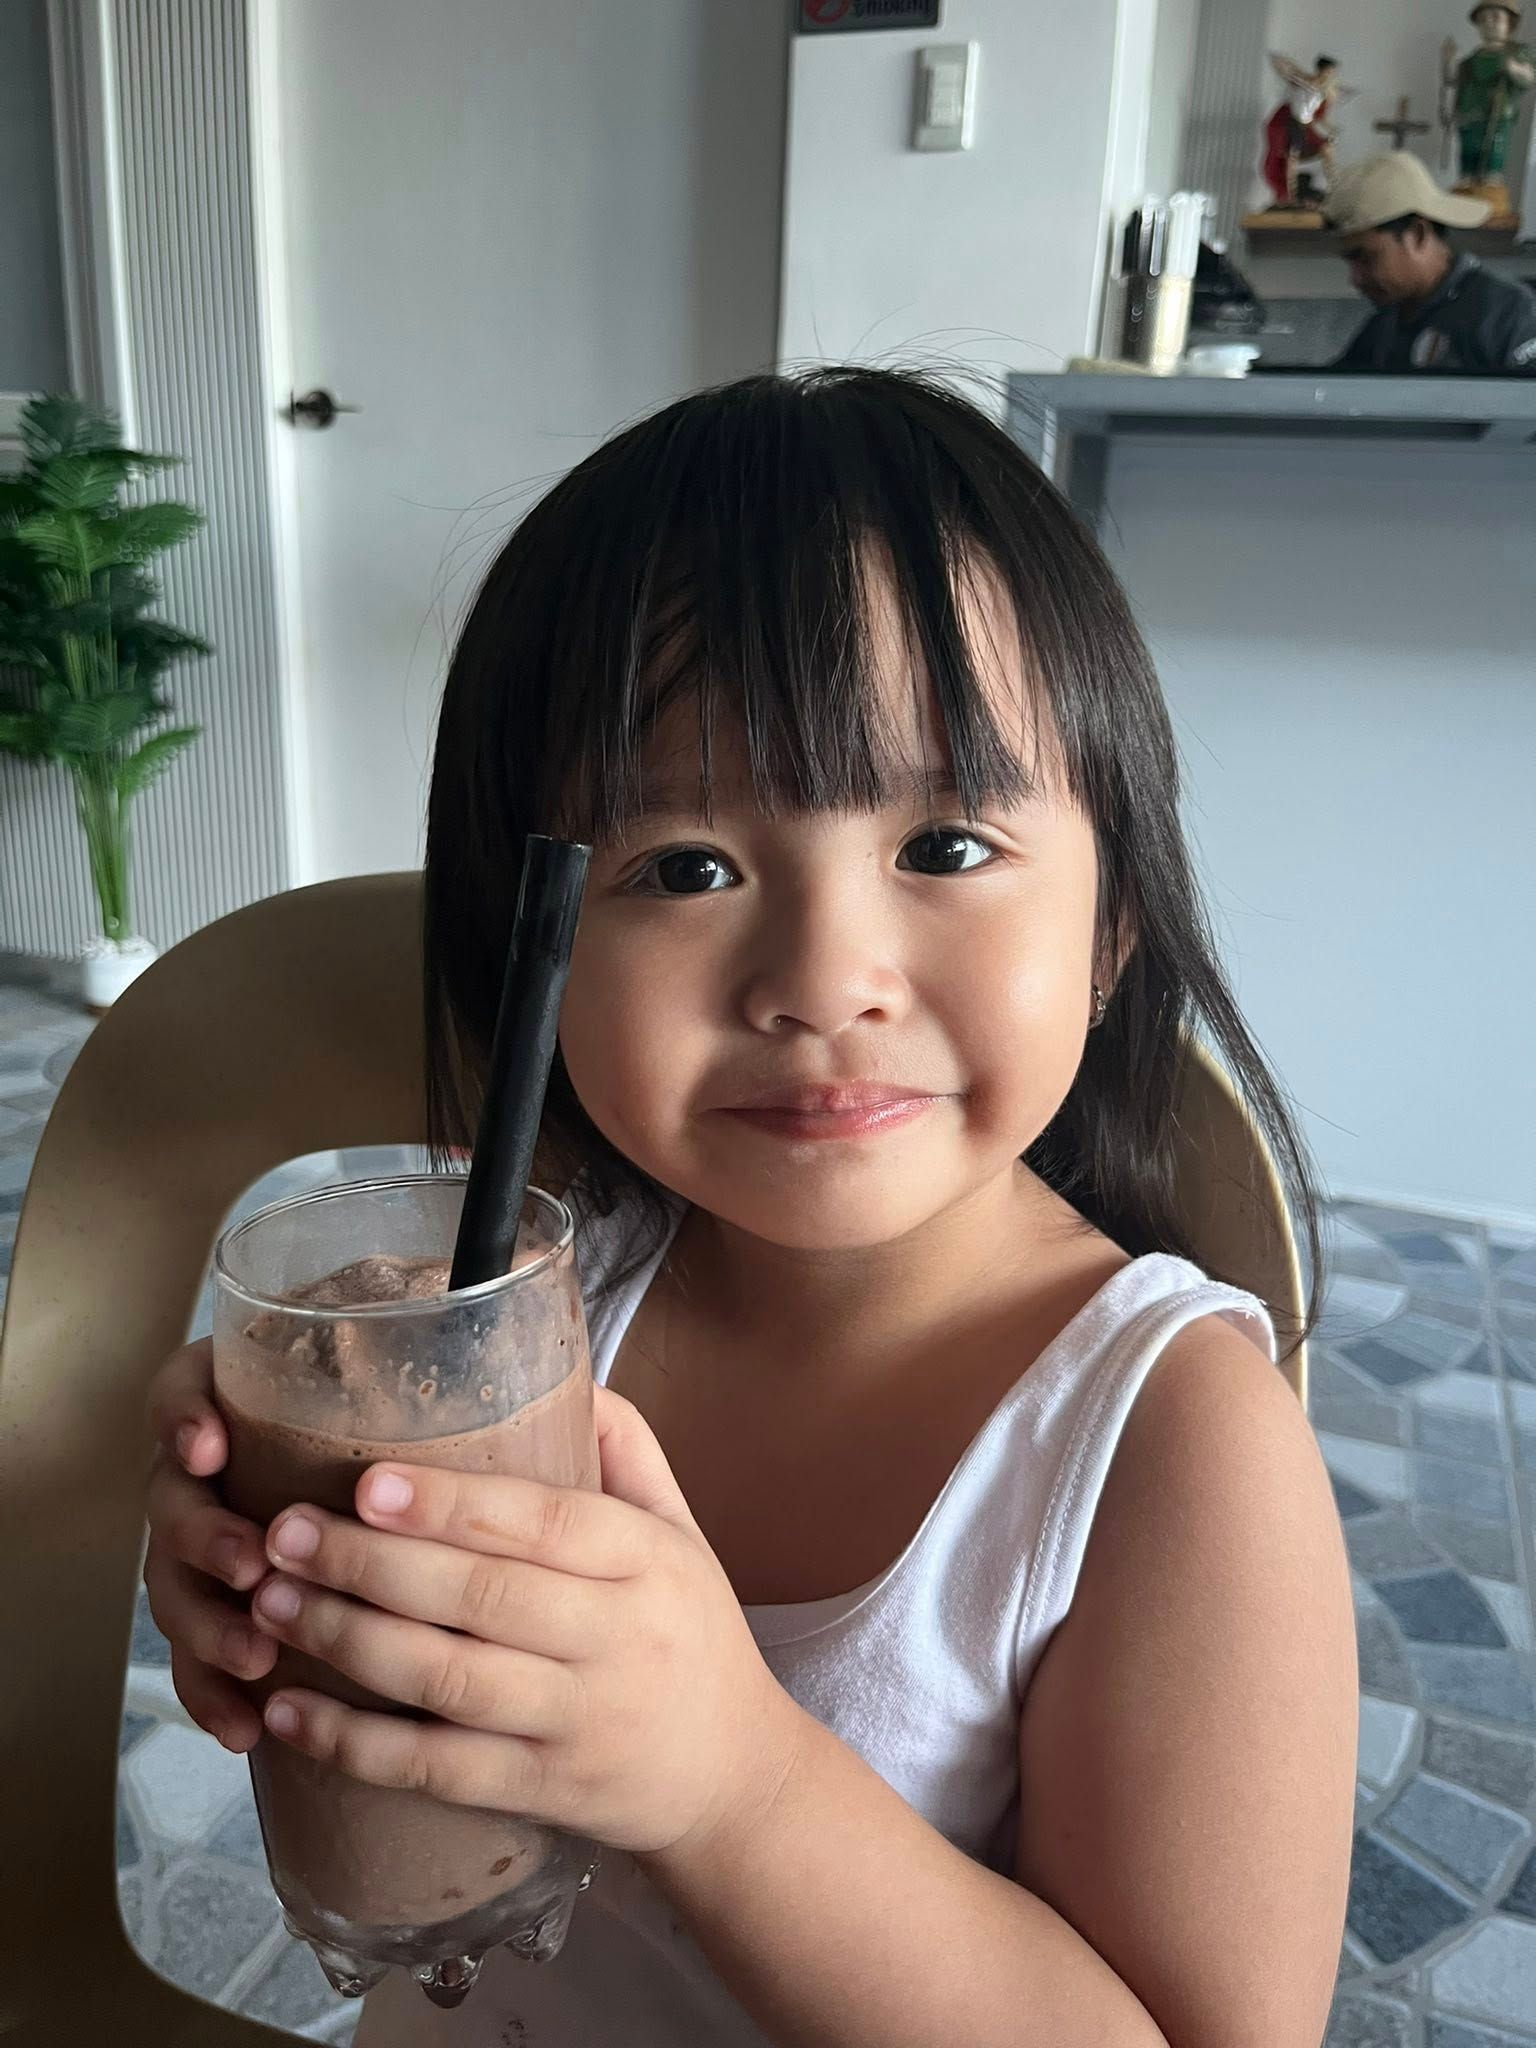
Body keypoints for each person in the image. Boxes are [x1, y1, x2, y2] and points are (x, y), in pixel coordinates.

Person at [141, 368, 1357, 2048]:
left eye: (942, 840)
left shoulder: (1171, 1448)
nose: (821, 980)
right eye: (687, 866)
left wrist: (727, 1780)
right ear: (538, 952)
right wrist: (269, 1564)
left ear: (1114, 921)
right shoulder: (532, 1319)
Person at [1326, 150, 1536, 370]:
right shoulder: (1383, 327)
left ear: (1417, 234)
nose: (1355, 279)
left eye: (1367, 258)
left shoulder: (1509, 315)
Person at [1442, 3, 1534, 210]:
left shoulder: (1517, 53)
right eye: (1483, 19)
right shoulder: (1472, 59)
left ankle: (1490, 184)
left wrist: (1512, 68)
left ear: (1509, 23)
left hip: (1498, 113)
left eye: (1495, 18)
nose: (1489, 24)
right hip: (1469, 113)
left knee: (1493, 150)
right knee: (1469, 150)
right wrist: (1448, 61)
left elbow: (1529, 77)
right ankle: (1467, 181)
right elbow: (1454, 79)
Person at [1263, 51, 1347, 208]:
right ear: (1323, 70)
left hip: (1306, 125)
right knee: (1291, 159)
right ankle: (1289, 195)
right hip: (1293, 124)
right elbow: (1285, 70)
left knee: (1326, 149)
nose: (1331, 75)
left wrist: (1332, 129)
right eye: (1329, 71)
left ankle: (1336, 189)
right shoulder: (1303, 82)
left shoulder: (1325, 91)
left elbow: (1319, 115)